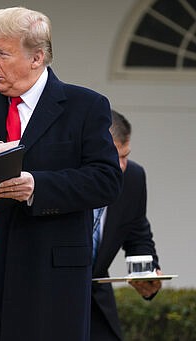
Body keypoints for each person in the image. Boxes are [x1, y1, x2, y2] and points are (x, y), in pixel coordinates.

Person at [0, 7, 123, 341]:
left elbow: (106, 180)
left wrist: (37, 186)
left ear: (37, 57)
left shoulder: (85, 106)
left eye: (2, 53)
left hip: (44, 280)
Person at [91, 110, 162, 341]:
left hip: (97, 312)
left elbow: (137, 234)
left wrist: (148, 274)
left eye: (126, 156)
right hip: (48, 303)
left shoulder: (133, 177)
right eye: (115, 157)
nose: (122, 166)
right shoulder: (65, 177)